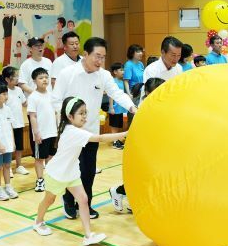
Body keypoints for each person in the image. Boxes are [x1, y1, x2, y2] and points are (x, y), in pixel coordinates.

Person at [52, 37, 137, 219]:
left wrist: (132, 108)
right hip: (71, 134)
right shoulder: (68, 73)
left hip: (91, 132)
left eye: (103, 57)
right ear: (85, 54)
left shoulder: (104, 75)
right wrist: (66, 123)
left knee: (88, 171)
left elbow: (117, 93)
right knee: (71, 169)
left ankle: (86, 203)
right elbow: (56, 100)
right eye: (96, 56)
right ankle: (68, 200)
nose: (100, 61)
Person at [32, 97, 127, 245]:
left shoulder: (75, 130)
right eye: (81, 113)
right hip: (57, 173)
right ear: (70, 116)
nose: (84, 116)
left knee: (83, 199)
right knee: (49, 200)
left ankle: (88, 236)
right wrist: (123, 134)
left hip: (71, 172)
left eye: (85, 113)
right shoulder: (72, 132)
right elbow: (101, 138)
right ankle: (38, 222)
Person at [109, 77, 165, 213]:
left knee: (148, 178)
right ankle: (117, 191)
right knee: (141, 178)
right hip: (141, 148)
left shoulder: (159, 104)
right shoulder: (144, 107)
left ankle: (134, 202)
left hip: (154, 147)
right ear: (149, 93)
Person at [27, 67, 57, 192]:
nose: (44, 80)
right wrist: (36, 133)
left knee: (50, 156)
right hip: (41, 134)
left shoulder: (51, 95)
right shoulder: (33, 97)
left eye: (46, 77)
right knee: (40, 159)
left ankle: (49, 178)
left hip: (52, 132)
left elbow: (55, 113)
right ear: (34, 81)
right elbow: (32, 116)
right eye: (41, 78)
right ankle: (40, 180)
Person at [0, 67, 29, 177]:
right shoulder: (3, 91)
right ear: (7, 79)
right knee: (9, 146)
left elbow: (24, 103)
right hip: (7, 125)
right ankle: (8, 167)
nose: (17, 79)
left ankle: (19, 166)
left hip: (19, 122)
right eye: (15, 76)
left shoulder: (18, 90)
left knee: (19, 146)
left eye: (18, 76)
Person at [108, 63, 127, 150]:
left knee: (118, 125)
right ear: (115, 72)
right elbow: (111, 95)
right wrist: (111, 107)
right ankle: (115, 141)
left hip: (120, 108)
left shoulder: (121, 81)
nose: (123, 71)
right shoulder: (113, 81)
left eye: (123, 70)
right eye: (121, 70)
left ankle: (116, 140)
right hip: (114, 107)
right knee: (114, 125)